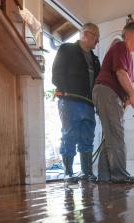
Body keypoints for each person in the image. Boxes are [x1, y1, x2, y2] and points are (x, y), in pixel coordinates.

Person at [92, 21, 134, 184]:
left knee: (110, 136)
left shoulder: (127, 55)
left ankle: (105, 177)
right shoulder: (121, 47)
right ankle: (120, 176)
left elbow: (125, 82)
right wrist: (133, 95)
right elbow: (121, 74)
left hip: (110, 94)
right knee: (116, 134)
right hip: (107, 92)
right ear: (127, 34)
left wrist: (127, 99)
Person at [52, 23, 100, 184]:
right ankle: (68, 173)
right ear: (86, 34)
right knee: (69, 135)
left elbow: (98, 83)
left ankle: (86, 172)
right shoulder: (66, 49)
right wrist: (63, 90)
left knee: (87, 137)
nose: (98, 41)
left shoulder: (95, 60)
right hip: (69, 101)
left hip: (88, 104)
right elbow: (57, 73)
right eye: (96, 37)